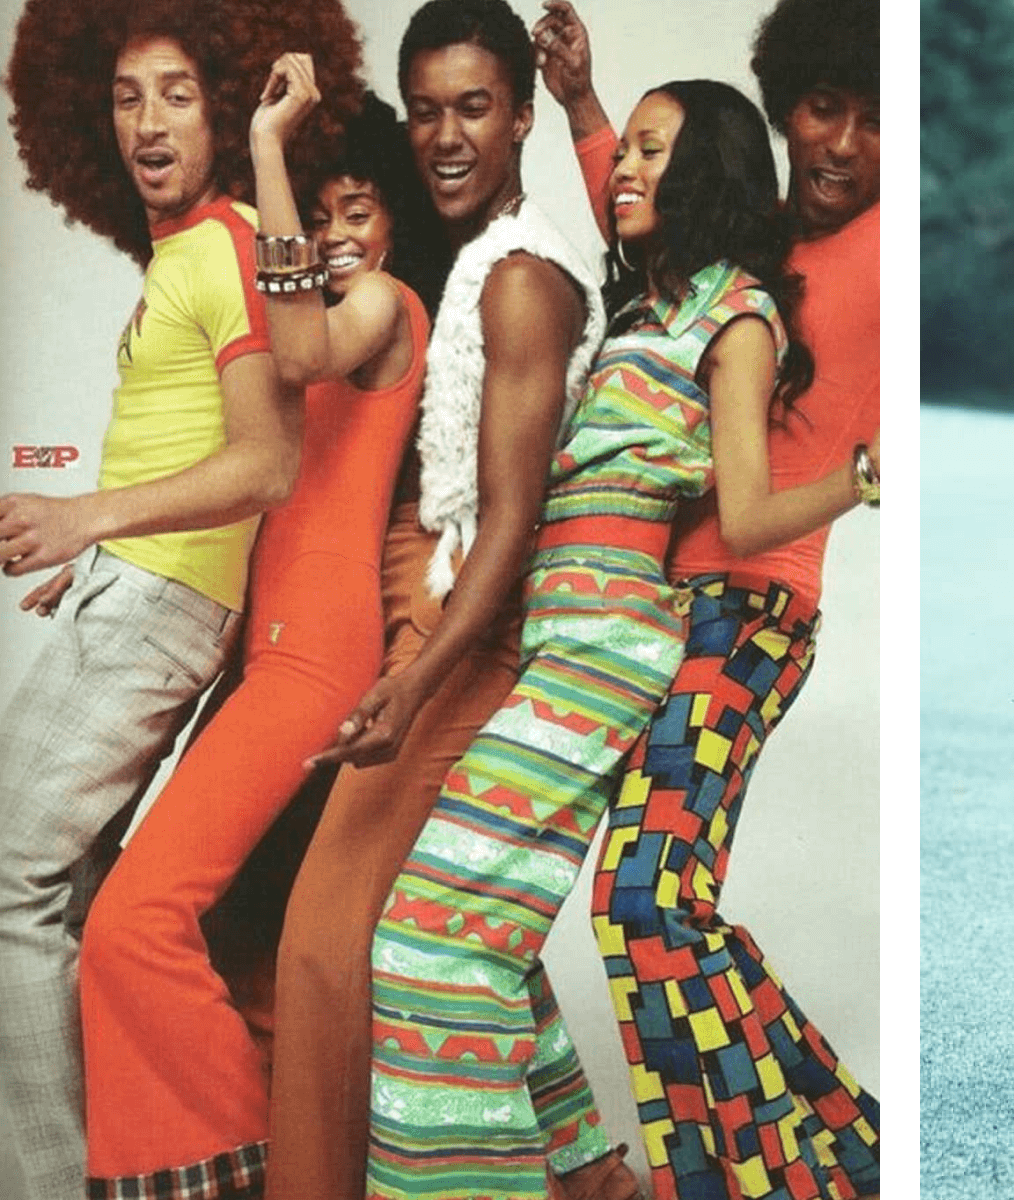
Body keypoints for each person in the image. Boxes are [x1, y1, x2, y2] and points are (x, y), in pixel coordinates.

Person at [364, 72, 859, 1200]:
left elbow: (743, 513)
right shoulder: (647, 308)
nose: (621, 171)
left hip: (606, 654)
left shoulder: (734, 315)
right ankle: (591, 1177)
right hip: (555, 641)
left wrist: (858, 480)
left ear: (700, 173)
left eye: (648, 153)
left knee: (423, 938)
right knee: (464, 927)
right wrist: (577, 93)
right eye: (623, 151)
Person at [249, 4, 634, 1199]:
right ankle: (588, 1183)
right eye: (426, 111)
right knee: (444, 944)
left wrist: (412, 683)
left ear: (516, 115)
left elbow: (510, 528)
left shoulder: (521, 278)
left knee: (325, 943)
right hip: (432, 629)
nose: (446, 136)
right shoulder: (478, 259)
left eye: (474, 108)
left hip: (469, 641)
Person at [0, 2, 361, 1196]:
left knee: (8, 883)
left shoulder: (224, 245)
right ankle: (125, 1164)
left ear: (224, 105)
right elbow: (194, 439)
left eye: (176, 94)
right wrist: (92, 554)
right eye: (123, 97)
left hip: (158, 605)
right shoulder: (187, 250)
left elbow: (267, 464)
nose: (148, 122)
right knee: (58, 897)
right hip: (134, 589)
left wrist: (84, 519)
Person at [73, 61, 441, 1196]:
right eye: (319, 213)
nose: (333, 235)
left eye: (356, 211)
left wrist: (271, 152)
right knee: (205, 934)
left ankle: (232, 1176)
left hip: (315, 658)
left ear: (394, 222)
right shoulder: (308, 317)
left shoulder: (385, 308)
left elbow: (300, 354)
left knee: (132, 921)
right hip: (257, 653)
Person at [535, 0, 882, 1193]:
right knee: (652, 910)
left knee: (644, 906)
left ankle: (782, 1167)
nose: (843, 143)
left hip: (758, 613)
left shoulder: (892, 249)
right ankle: (837, 1141)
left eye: (876, 123)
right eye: (825, 108)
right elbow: (646, 205)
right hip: (662, 612)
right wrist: (586, 106)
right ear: (786, 104)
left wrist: (872, 476)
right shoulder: (753, 242)